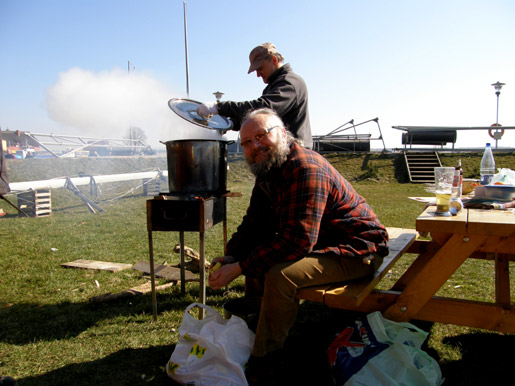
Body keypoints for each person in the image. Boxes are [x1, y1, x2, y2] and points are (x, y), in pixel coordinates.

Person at [208, 108, 389, 384]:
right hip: (325, 245)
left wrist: (241, 267)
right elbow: (254, 223)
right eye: (246, 142)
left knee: (280, 274)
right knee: (261, 257)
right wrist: (233, 254)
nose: (254, 146)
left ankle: (265, 361)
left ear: (282, 133)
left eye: (261, 135)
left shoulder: (305, 167)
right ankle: (255, 332)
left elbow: (298, 241)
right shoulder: (268, 169)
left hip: (358, 250)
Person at [196, 42, 313, 149]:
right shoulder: (274, 86)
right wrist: (232, 124)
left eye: (260, 68)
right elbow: (258, 118)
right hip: (284, 152)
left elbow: (263, 109)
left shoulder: (289, 83)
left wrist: (219, 107)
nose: (258, 74)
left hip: (296, 153)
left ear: (274, 60)